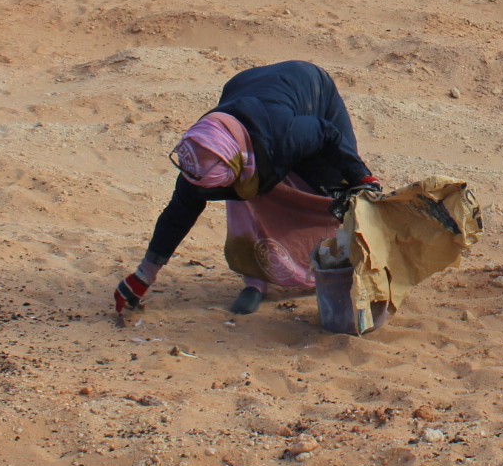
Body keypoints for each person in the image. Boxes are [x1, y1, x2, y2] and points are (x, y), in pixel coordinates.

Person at [114, 62, 382, 316]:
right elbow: (177, 215)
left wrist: (363, 178)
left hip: (309, 88)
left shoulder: (284, 134)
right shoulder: (203, 153)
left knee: (337, 187)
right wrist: (143, 276)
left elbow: (328, 135)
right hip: (245, 88)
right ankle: (255, 282)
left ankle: (352, 266)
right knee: (246, 195)